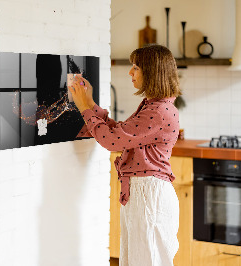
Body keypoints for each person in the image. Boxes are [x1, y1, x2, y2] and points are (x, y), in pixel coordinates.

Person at [69, 44, 181, 266]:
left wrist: (84, 108)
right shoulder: (154, 106)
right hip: (144, 193)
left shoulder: (158, 111)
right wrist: (90, 103)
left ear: (152, 72)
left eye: (136, 67)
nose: (130, 72)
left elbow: (112, 141)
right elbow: (120, 133)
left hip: (149, 195)